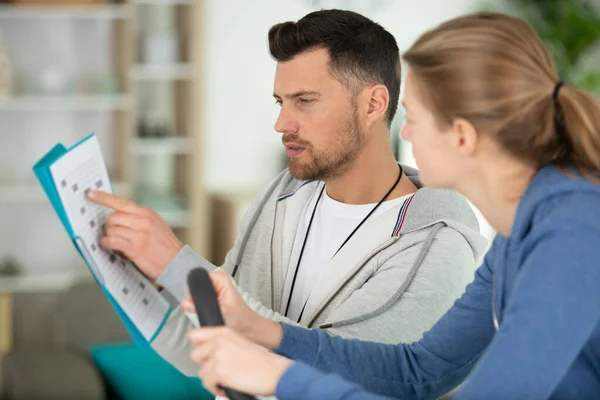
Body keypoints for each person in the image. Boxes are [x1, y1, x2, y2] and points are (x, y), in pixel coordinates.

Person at [185, 11, 600, 400]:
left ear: (461, 136)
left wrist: (277, 376)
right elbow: (419, 369)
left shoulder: (571, 236)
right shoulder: (516, 234)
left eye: (413, 117)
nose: (406, 135)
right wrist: (265, 332)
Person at [88, 9, 485, 376]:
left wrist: (178, 265)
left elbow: (343, 377)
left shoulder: (437, 247)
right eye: (280, 102)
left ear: (373, 104)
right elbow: (211, 350)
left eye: (305, 101)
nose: (281, 122)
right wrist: (125, 276)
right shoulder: (283, 196)